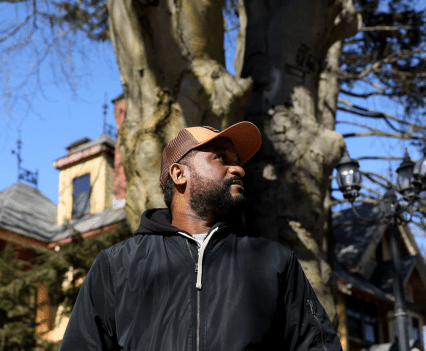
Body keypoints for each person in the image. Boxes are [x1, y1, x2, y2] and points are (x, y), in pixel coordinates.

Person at [59, 122, 342, 351]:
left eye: (238, 161)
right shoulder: (116, 265)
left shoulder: (274, 262)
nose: (239, 169)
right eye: (221, 158)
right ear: (179, 173)